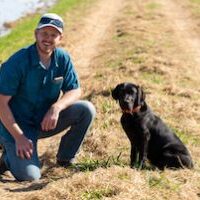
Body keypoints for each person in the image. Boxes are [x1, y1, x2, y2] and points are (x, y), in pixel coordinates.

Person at [0, 13, 96, 181]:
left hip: (44, 121)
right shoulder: (18, 62)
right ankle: (8, 156)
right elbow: (1, 104)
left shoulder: (62, 58)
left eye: (53, 35)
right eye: (44, 33)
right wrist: (19, 137)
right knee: (30, 177)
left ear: (60, 38)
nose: (48, 38)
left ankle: (65, 158)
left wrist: (56, 107)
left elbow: (75, 90)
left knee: (86, 109)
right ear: (36, 34)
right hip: (15, 127)